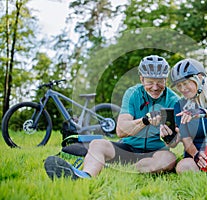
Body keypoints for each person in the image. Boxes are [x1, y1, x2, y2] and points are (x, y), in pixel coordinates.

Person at [44, 55, 180, 179]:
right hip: (128, 148)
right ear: (141, 79)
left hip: (156, 151)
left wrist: (169, 137)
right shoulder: (132, 93)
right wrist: (145, 120)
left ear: (166, 80)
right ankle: (85, 176)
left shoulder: (174, 100)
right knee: (97, 144)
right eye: (150, 82)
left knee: (169, 159)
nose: (155, 87)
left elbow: (173, 143)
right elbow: (121, 131)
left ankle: (123, 170)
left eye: (160, 82)